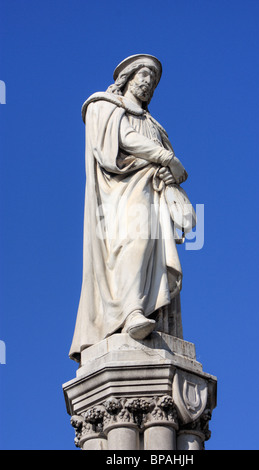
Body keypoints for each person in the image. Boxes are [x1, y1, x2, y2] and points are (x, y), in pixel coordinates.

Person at [69, 54, 188, 362]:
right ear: (128, 77)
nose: (148, 83)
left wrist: (169, 170)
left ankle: (154, 316)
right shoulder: (104, 106)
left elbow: (175, 169)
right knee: (132, 241)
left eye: (153, 80)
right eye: (143, 76)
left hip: (153, 192)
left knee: (152, 247)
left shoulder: (155, 126)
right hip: (119, 192)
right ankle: (131, 311)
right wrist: (165, 159)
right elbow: (123, 139)